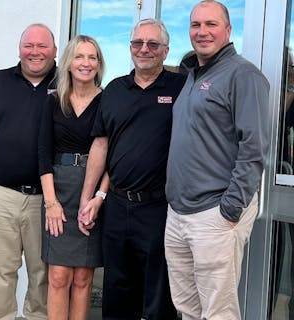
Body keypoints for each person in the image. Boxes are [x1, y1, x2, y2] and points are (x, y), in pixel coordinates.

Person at [164, 1, 270, 319]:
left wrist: (230, 210)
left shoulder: (243, 75)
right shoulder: (192, 76)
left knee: (218, 311)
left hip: (214, 215)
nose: (202, 31)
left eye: (211, 24)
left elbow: (254, 149)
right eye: (196, 25)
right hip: (179, 213)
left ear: (228, 29)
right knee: (187, 308)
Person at [79, 18, 186, 320]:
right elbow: (101, 145)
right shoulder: (114, 90)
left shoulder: (180, 88)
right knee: (116, 289)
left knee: (157, 295)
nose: (144, 49)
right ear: (130, 48)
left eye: (153, 44)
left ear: (165, 51)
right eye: (138, 43)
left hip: (158, 208)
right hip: (116, 205)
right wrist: (89, 199)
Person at [0, 23, 57, 319]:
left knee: (44, 281)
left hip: (49, 203)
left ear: (55, 51)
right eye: (29, 46)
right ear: (19, 49)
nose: (35, 52)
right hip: (0, 197)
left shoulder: (69, 83)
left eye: (42, 46)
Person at [38, 34, 108, 320]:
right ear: (68, 63)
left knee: (82, 279)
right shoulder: (54, 101)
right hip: (59, 188)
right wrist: (51, 202)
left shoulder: (108, 100)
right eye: (79, 56)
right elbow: (42, 152)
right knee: (58, 276)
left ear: (99, 64)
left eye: (92, 57)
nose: (86, 63)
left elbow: (112, 155)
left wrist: (99, 197)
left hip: (92, 194)